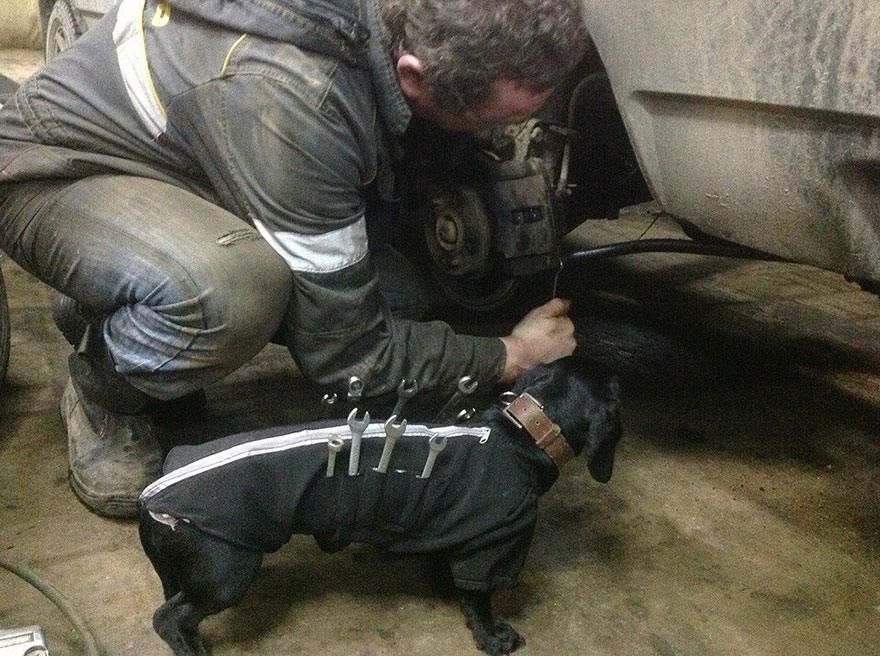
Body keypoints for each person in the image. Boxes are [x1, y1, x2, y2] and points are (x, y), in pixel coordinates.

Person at [0, 0, 585, 517]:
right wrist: (509, 355)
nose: (503, 133)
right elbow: (350, 358)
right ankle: (104, 382)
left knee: (401, 298)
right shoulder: (298, 99)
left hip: (191, 161)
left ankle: (129, 291)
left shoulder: (390, 25)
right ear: (414, 74)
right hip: (56, 171)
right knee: (232, 294)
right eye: (493, 122)